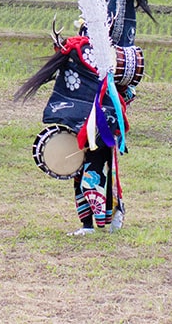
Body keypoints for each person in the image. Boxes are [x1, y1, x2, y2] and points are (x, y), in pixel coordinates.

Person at [15, 29, 129, 234]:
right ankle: (87, 224)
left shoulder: (100, 60)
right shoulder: (78, 54)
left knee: (93, 176)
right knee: (79, 176)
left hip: (103, 124)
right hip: (82, 124)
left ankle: (114, 214)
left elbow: (122, 91)